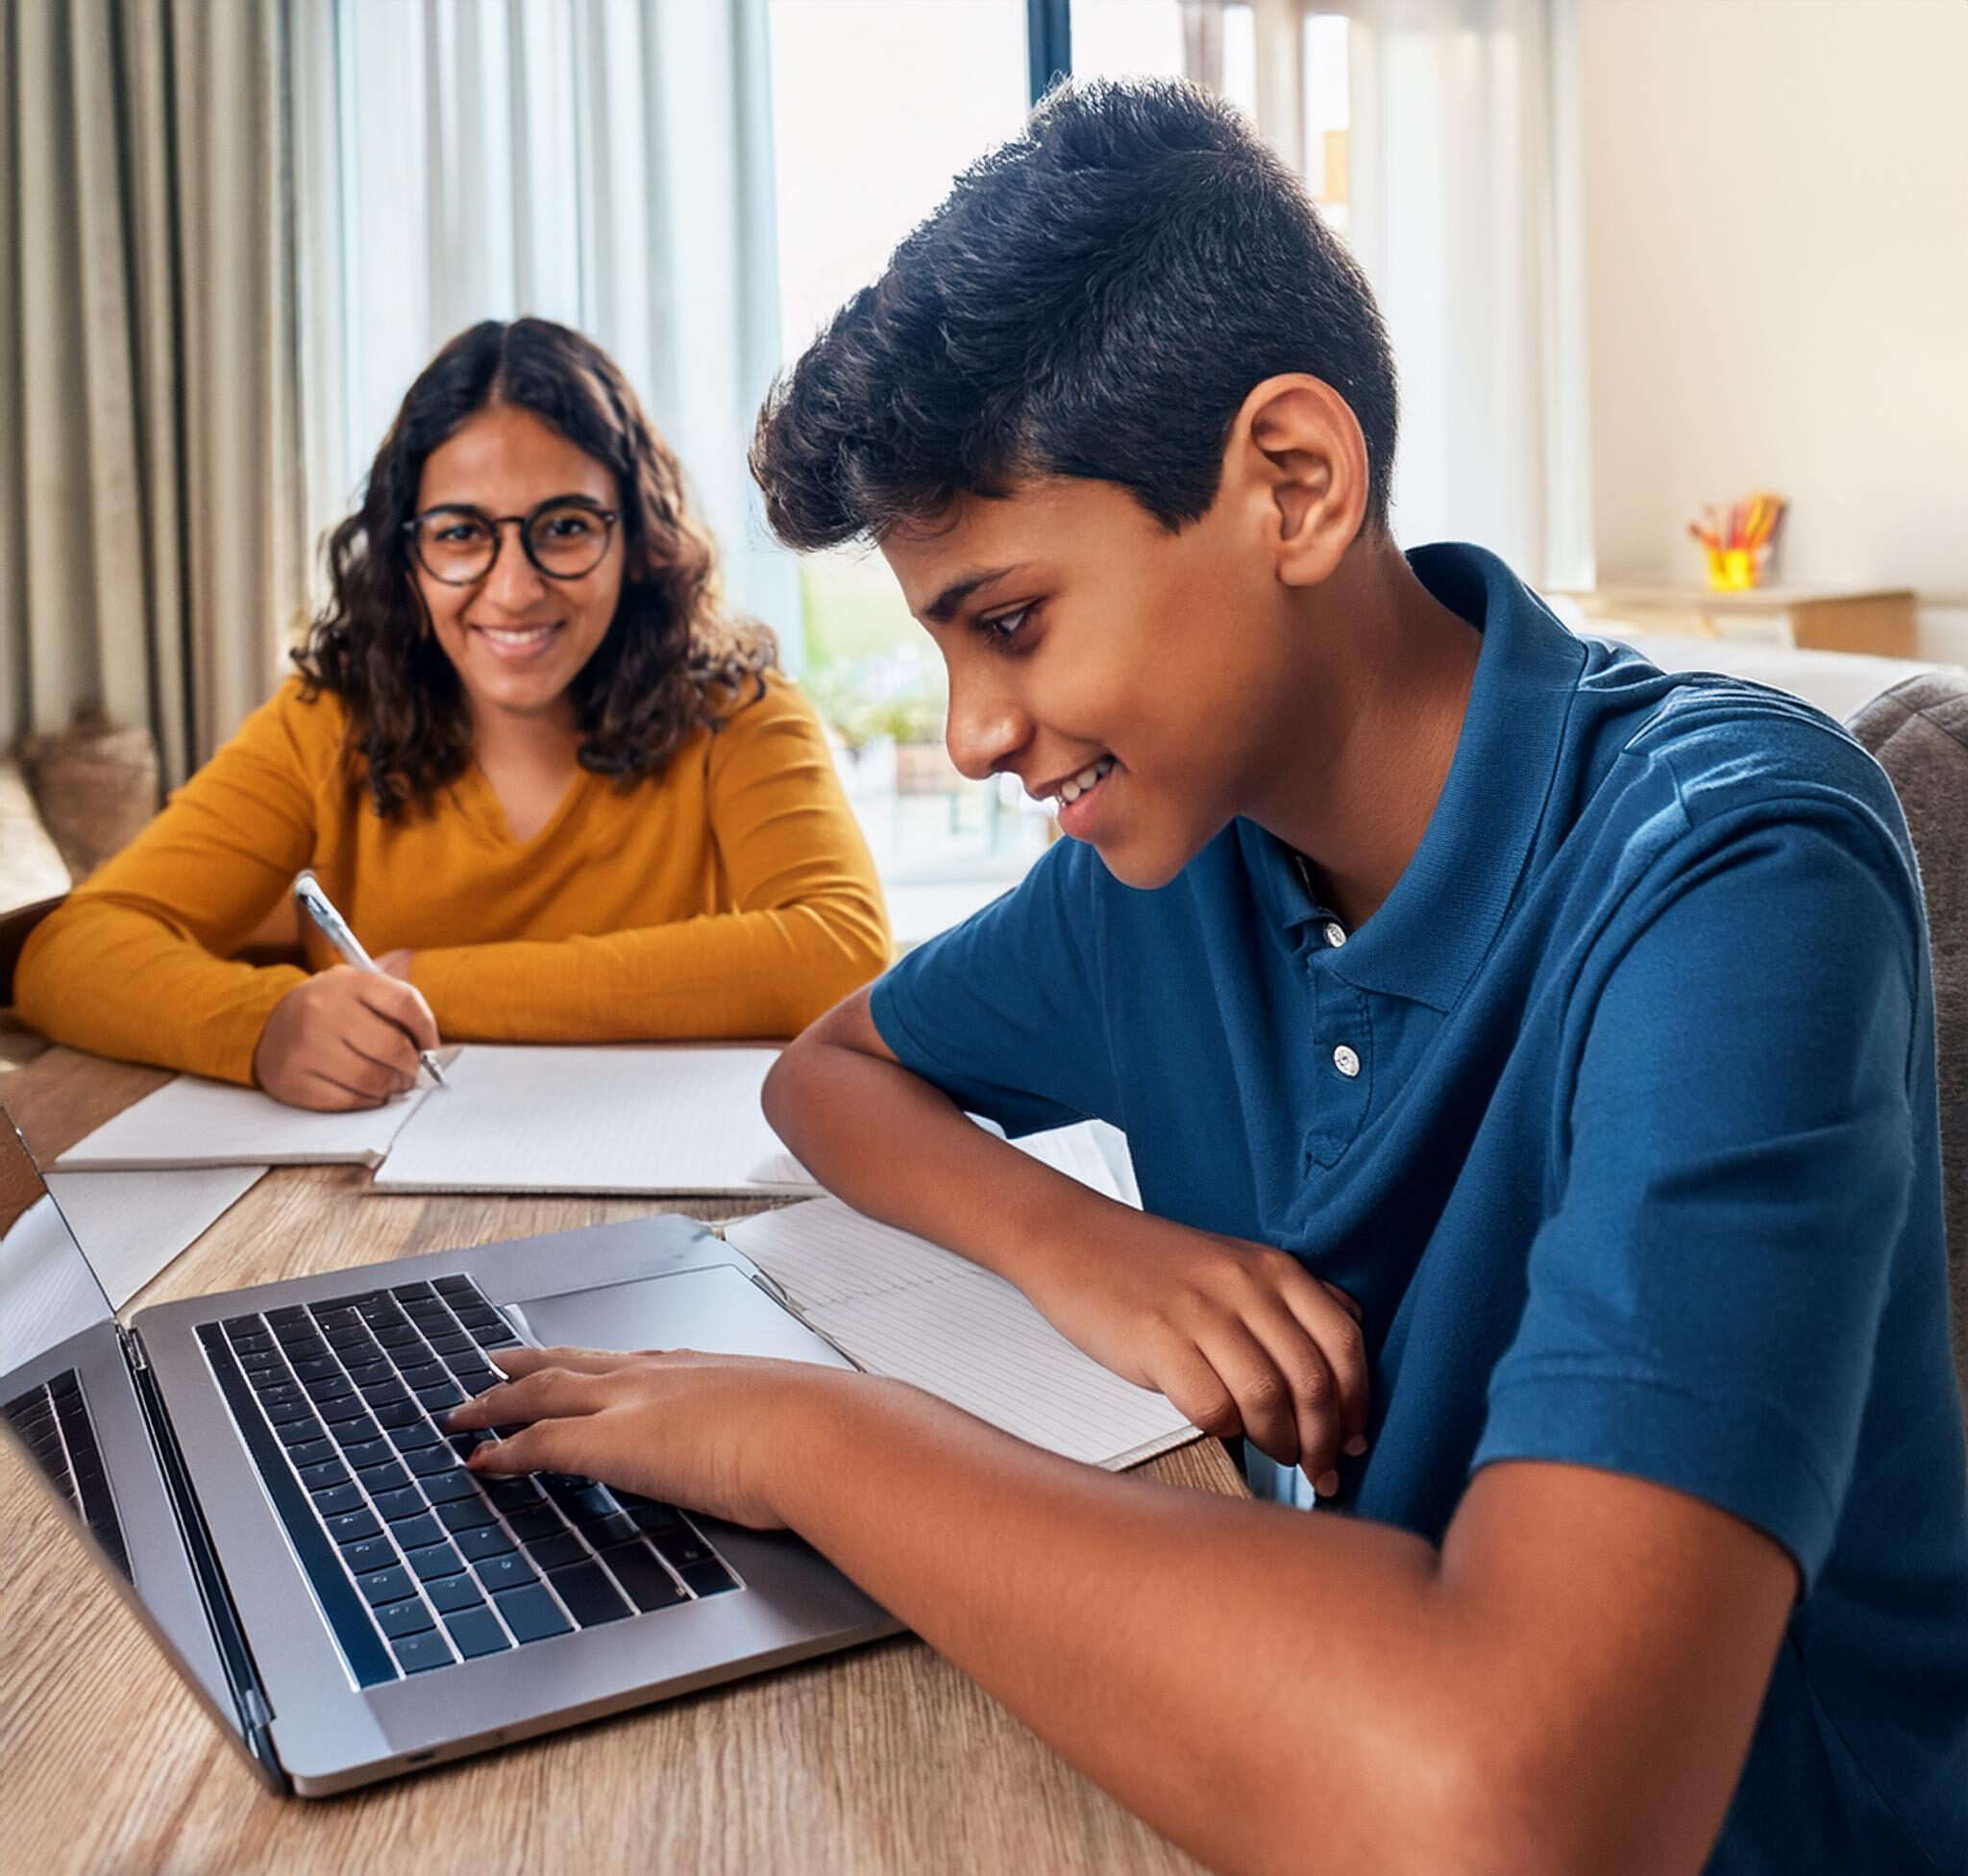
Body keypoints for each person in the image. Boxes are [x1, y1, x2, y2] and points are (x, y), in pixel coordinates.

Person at [442, 84, 1968, 1874]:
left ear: (1293, 484)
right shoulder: (1168, 856)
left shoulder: (1732, 868)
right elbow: (829, 1067)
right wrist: (1087, 1247)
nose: (976, 730)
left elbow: (1528, 1808)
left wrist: (808, 1441)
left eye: (1007, 621)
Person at [16, 319, 890, 1109]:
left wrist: (418, 982)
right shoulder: (327, 723)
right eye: (461, 534)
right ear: (406, 557)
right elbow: (71, 952)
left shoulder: (738, 709)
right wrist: (266, 1024)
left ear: (636, 541)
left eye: (566, 527)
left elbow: (839, 953)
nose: (513, 590)